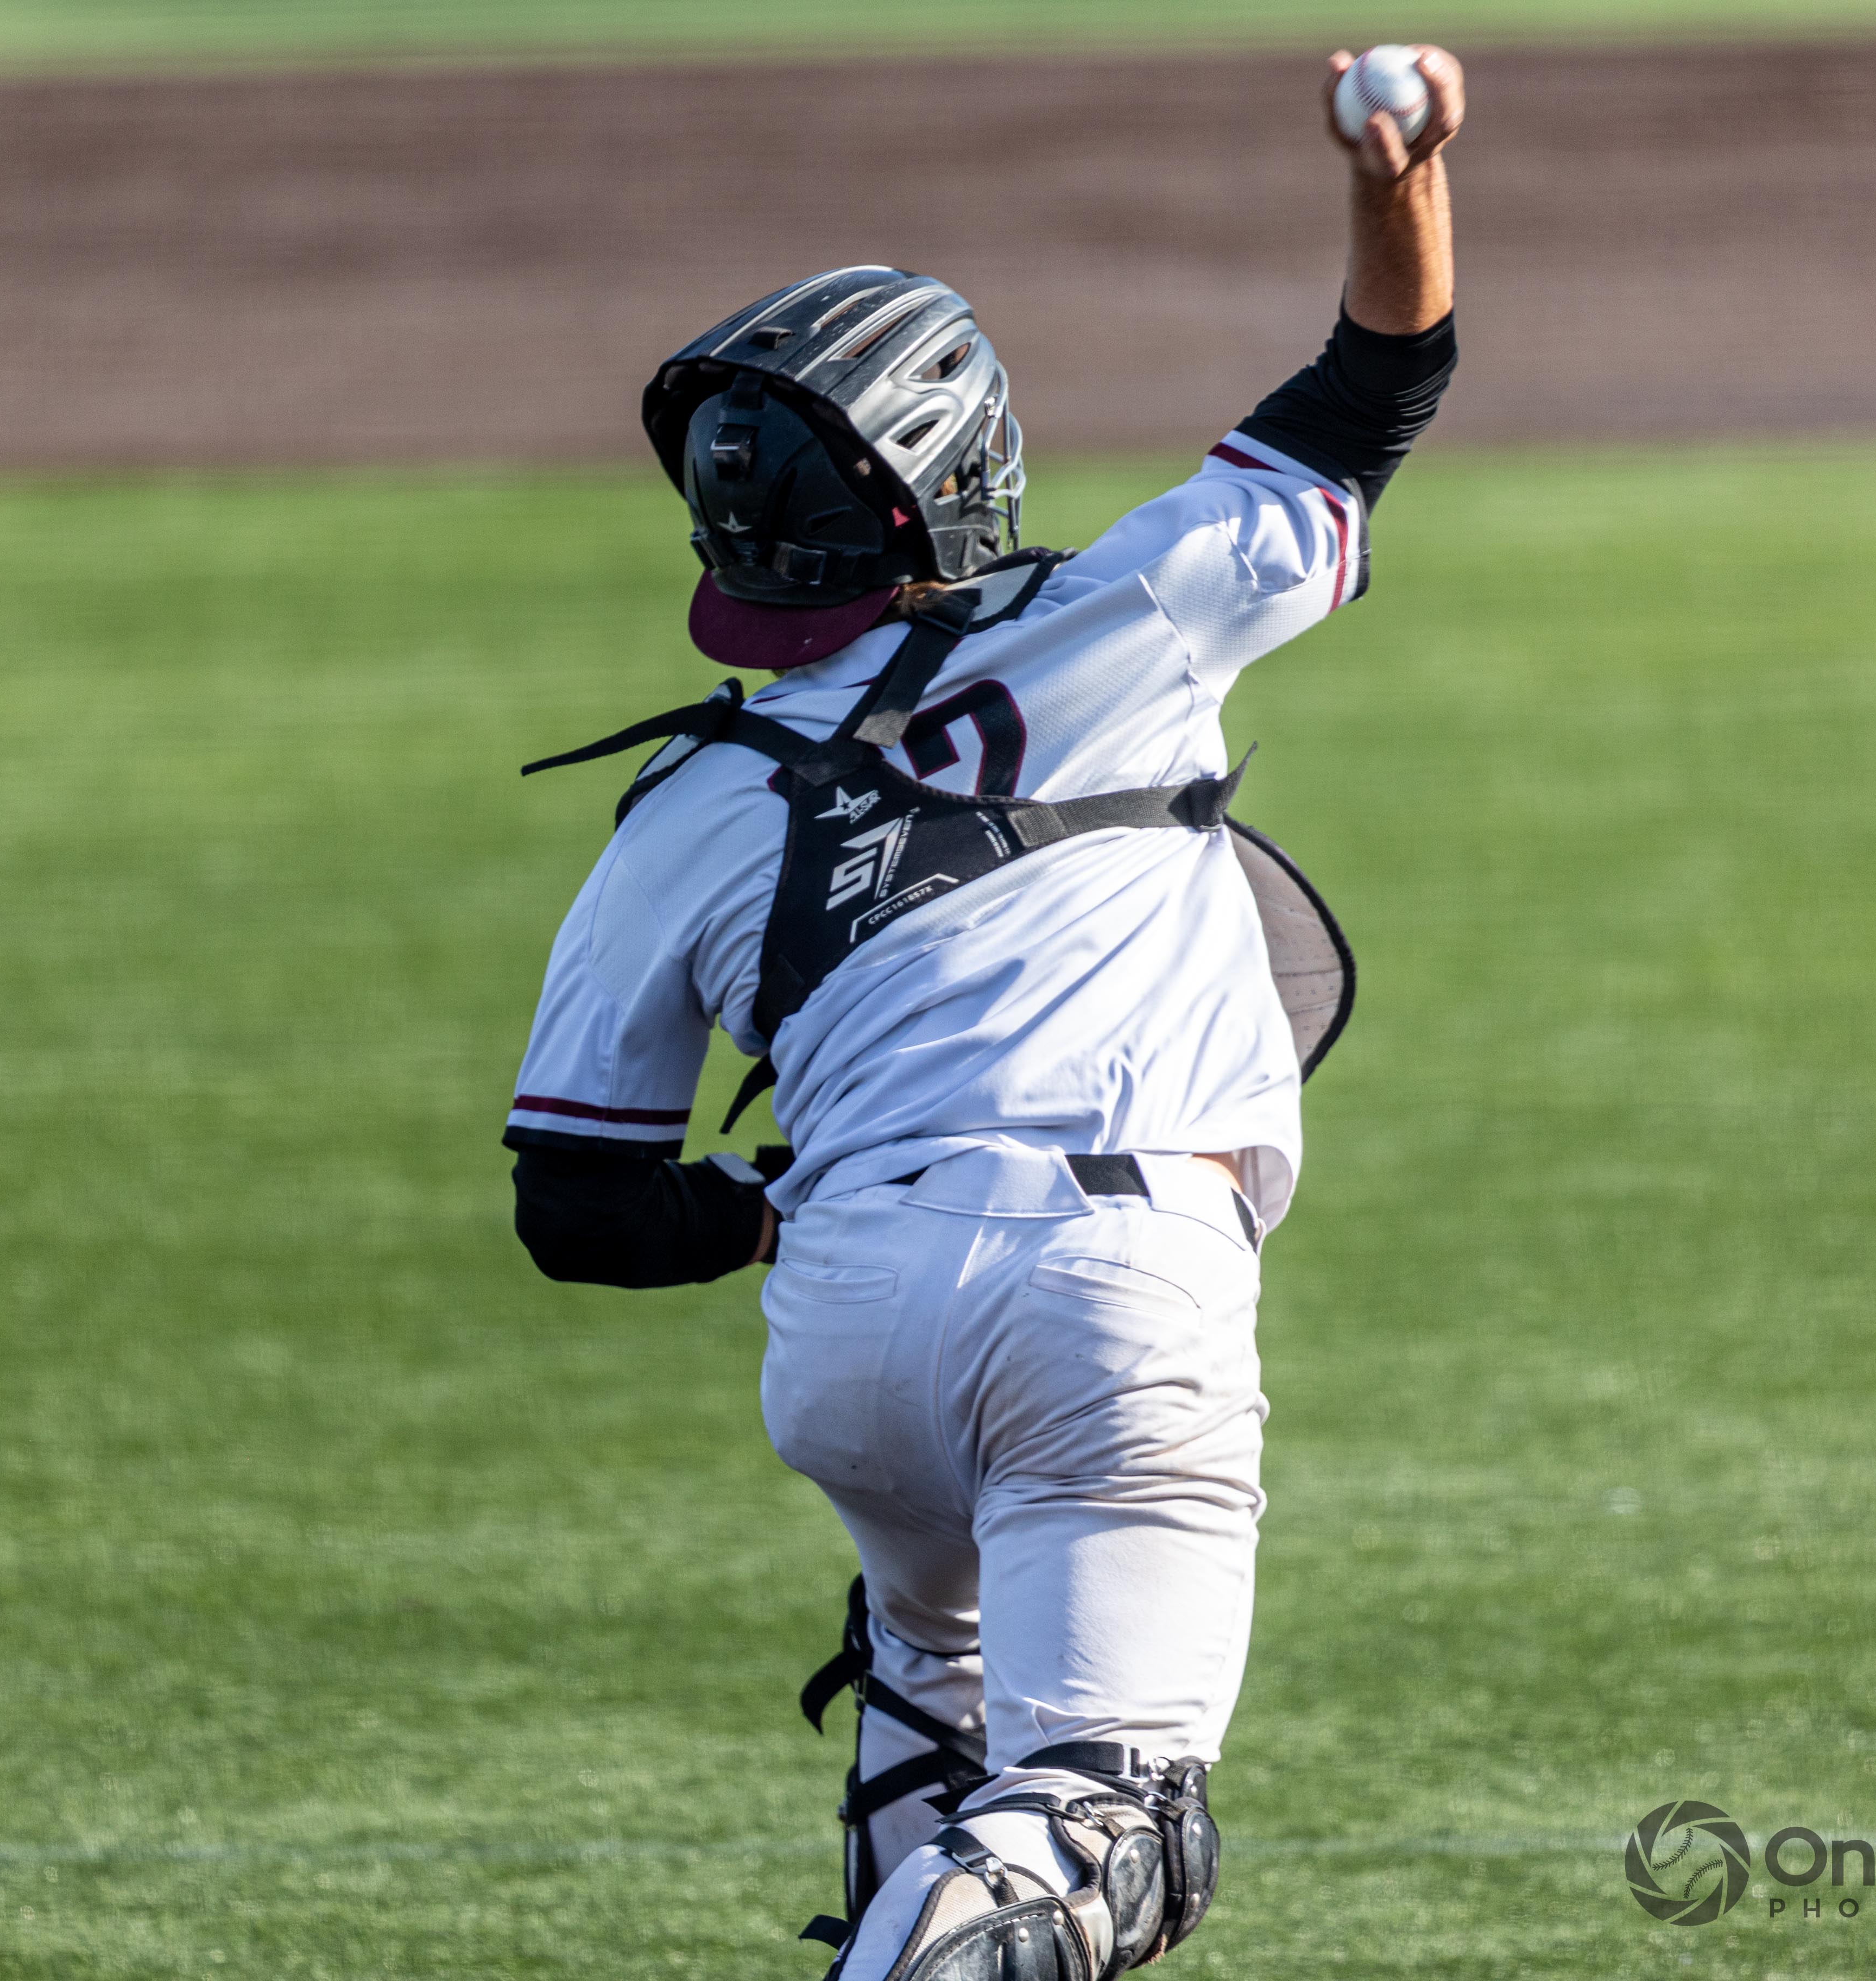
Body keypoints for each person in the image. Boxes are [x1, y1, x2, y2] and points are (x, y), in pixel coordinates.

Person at [502, 49, 1464, 1980]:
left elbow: (578, 1209)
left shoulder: (680, 808)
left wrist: (770, 1210)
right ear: (958, 477)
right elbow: (1378, 387)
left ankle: (907, 1845)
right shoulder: (1127, 616)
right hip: (1111, 1294)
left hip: (849, 1334)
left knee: (938, 1707)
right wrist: (1402, 171)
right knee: (1103, 1828)